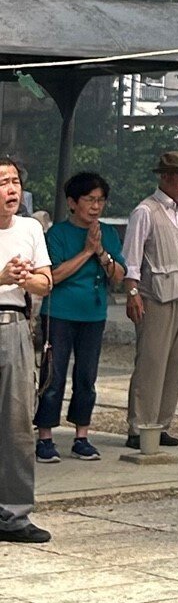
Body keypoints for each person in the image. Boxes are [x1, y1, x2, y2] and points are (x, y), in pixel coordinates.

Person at [34, 170, 125, 463]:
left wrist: (101, 253)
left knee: (87, 375)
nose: (96, 206)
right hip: (59, 312)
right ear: (73, 202)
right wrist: (86, 252)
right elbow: (53, 276)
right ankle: (45, 435)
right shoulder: (58, 234)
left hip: (93, 312)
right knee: (53, 373)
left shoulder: (107, 234)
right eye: (89, 199)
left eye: (100, 200)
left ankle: (81, 435)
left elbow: (119, 276)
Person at [122, 148, 178, 452]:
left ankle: (161, 424)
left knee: (177, 362)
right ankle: (140, 427)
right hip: (156, 296)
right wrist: (132, 293)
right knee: (151, 362)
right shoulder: (145, 211)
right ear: (166, 177)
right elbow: (131, 258)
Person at [0, 155, 52, 543]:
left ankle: (14, 516)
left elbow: (46, 282)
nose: (11, 190)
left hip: (14, 327)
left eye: (15, 181)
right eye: (3, 182)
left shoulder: (31, 228)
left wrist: (27, 278)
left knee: (17, 424)